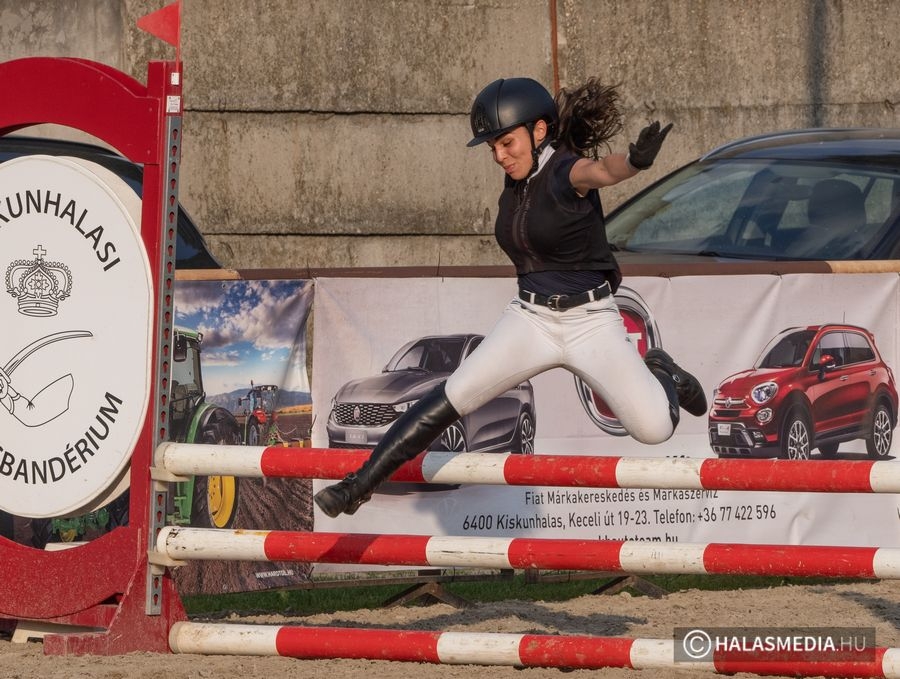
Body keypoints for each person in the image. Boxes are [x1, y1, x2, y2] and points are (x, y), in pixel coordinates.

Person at [315, 76, 707, 518]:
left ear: (539, 132)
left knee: (655, 429)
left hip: (590, 322)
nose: (500, 156)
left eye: (506, 143)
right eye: (493, 148)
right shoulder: (516, 184)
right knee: (450, 396)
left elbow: (601, 172)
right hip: (531, 320)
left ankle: (662, 371)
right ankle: (357, 487)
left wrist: (634, 163)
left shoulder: (566, 170)